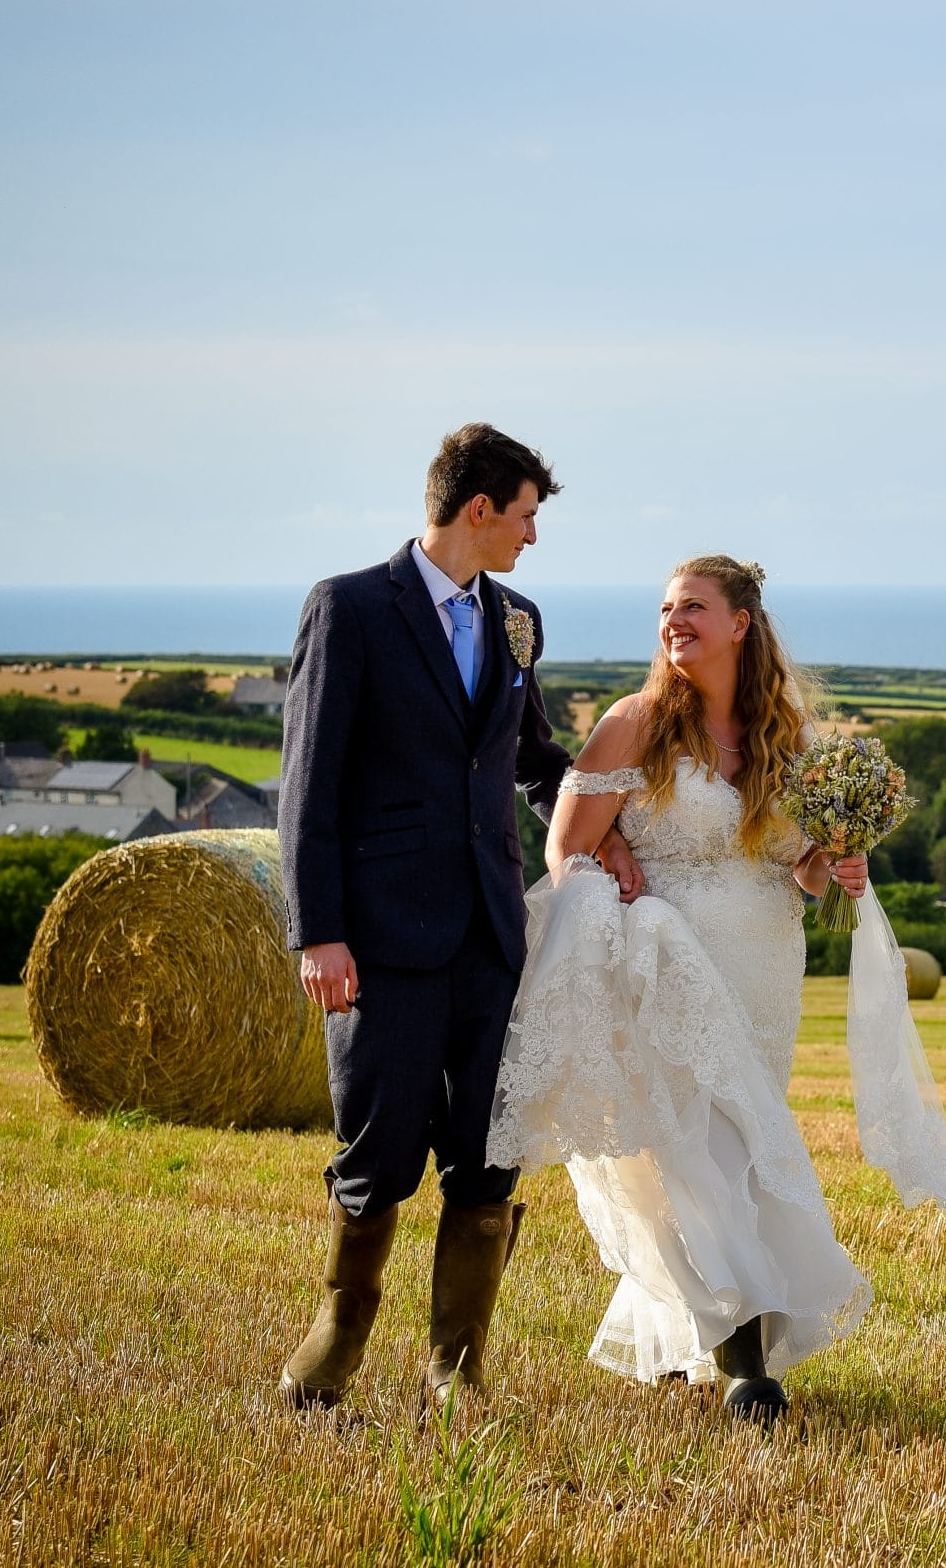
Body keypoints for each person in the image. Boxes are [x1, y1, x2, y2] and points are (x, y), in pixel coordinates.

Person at [275, 424, 638, 1413]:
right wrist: (319, 928)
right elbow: (307, 780)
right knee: (380, 1148)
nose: (532, 535)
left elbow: (527, 754)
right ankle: (339, 1331)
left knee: (490, 1145)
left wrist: (614, 813)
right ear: (478, 509)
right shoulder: (348, 607)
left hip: (492, 928)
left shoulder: (518, 615)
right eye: (524, 514)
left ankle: (457, 1363)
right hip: (379, 933)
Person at [486, 555, 874, 1423]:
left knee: (741, 1143)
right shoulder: (633, 724)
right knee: (699, 1153)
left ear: (741, 623)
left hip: (764, 970)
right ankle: (745, 1362)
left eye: (693, 607)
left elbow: (800, 873)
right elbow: (566, 852)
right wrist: (617, 872)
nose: (674, 620)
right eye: (665, 607)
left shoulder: (789, 739)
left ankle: (685, 1337)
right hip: (663, 964)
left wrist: (833, 861)